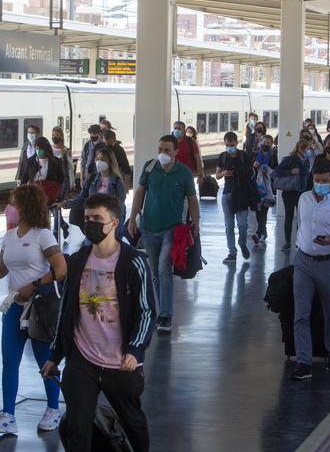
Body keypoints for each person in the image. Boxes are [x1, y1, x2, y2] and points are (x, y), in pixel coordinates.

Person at [43, 193, 156, 451]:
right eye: (87, 218)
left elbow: (147, 311)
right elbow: (67, 309)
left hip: (120, 363)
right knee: (77, 425)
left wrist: (134, 349)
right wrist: (55, 354)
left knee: (133, 423)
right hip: (82, 359)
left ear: (114, 222)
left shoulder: (134, 261)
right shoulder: (79, 260)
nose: (90, 223)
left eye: (97, 219)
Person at [0, 185, 67, 434]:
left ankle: (54, 408)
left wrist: (34, 285)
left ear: (26, 206)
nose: (11, 208)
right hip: (14, 307)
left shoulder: (43, 236)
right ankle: (8, 414)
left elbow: (61, 268)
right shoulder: (9, 237)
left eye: (15, 203)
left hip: (39, 309)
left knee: (45, 360)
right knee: (10, 361)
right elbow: (1, 270)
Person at [289, 158, 330, 380]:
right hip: (303, 262)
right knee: (300, 314)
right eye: (316, 180)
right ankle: (304, 362)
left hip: (329, 264)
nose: (320, 184)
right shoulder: (304, 198)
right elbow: (300, 226)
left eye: (324, 181)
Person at [127, 135, 199, 333]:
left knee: (163, 268)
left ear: (176, 152)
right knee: (155, 273)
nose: (162, 153)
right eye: (160, 149)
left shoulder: (184, 173)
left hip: (172, 229)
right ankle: (161, 311)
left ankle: (166, 314)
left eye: (167, 150)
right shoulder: (150, 167)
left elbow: (192, 199)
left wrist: (196, 222)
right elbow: (139, 193)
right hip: (149, 227)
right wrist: (133, 218)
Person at [63, 148, 127, 238]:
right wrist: (66, 204)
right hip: (92, 224)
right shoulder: (91, 179)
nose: (99, 162)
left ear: (110, 162)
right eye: (97, 159)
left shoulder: (117, 182)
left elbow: (120, 209)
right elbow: (82, 199)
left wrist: (116, 231)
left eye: (103, 160)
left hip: (109, 225)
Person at [216, 132, 255, 264]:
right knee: (229, 226)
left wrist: (240, 172)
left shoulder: (244, 156)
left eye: (231, 145)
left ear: (236, 143)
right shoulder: (222, 157)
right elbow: (217, 175)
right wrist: (224, 173)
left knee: (242, 224)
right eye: (227, 145)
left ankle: (242, 242)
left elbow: (252, 171)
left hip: (242, 194)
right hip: (227, 194)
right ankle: (232, 252)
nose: (229, 147)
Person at [20, 136, 65, 239]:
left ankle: (46, 239)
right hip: (33, 197)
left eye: (40, 148)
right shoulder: (31, 161)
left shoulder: (56, 162)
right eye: (36, 148)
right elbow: (25, 178)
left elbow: (61, 179)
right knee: (34, 222)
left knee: (45, 222)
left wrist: (56, 192)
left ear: (46, 149)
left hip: (49, 197)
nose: (38, 150)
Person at [275, 140, 313, 251]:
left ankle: (299, 241)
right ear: (301, 148)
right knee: (289, 216)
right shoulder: (289, 159)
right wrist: (290, 172)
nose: (309, 151)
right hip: (289, 191)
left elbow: (306, 175)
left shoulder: (306, 160)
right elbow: (277, 171)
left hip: (301, 191)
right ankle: (287, 242)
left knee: (301, 218)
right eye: (307, 149)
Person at [252, 134, 278, 246]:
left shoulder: (273, 156)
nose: (266, 144)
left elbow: (276, 171)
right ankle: (262, 232)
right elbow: (251, 170)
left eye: (268, 143)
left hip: (268, 188)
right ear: (260, 143)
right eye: (264, 142)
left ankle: (260, 233)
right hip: (257, 186)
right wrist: (254, 166)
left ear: (271, 144)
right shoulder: (255, 155)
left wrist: (267, 170)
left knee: (264, 210)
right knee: (258, 210)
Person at [51, 127, 75, 240]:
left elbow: (70, 168)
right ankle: (64, 226)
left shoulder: (66, 151)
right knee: (53, 208)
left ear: (61, 137)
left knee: (57, 207)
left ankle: (55, 233)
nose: (54, 138)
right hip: (52, 182)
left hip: (63, 183)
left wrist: (71, 182)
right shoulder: (49, 150)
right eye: (53, 135)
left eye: (56, 136)